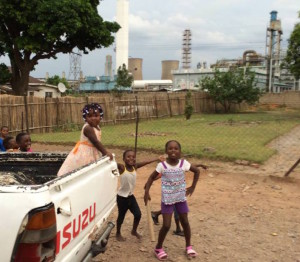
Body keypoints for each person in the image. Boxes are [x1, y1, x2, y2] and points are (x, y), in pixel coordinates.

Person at [144, 140, 200, 260]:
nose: (173, 151)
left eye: (176, 149)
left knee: (185, 222)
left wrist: (192, 187)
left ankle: (189, 246)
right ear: (166, 151)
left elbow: (197, 171)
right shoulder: (162, 166)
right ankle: (158, 248)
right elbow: (151, 177)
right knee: (166, 225)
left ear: (180, 152)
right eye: (170, 149)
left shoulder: (183, 164)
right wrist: (146, 191)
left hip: (180, 198)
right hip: (167, 200)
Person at [116, 149, 162, 242]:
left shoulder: (134, 167)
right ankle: (118, 233)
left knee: (138, 214)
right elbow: (112, 163)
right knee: (121, 216)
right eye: (128, 157)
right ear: (124, 159)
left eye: (133, 157)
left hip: (131, 196)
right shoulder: (122, 168)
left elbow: (145, 162)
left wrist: (156, 159)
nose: (131, 158)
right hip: (121, 197)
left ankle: (134, 231)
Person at [151, 163, 208, 236]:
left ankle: (156, 214)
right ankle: (177, 229)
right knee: (176, 211)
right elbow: (155, 176)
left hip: (177, 193)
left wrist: (200, 165)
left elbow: (188, 166)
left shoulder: (177, 165)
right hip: (171, 194)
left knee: (173, 209)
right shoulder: (166, 168)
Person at [57, 103, 112, 177]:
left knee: (91, 171)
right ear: (85, 118)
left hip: (92, 151)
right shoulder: (88, 128)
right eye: (89, 116)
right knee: (83, 171)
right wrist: (105, 152)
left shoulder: (97, 127)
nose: (93, 118)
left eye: (96, 116)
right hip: (85, 153)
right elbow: (95, 142)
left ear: (100, 117)